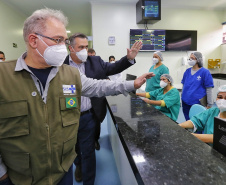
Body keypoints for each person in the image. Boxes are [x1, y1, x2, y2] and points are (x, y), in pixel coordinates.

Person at [0, 8, 154, 185]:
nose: (62, 47)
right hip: (20, 177)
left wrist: (131, 84)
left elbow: (99, 86)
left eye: (63, 42)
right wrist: (2, 175)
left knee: (86, 151)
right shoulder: (4, 77)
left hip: (63, 170)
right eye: (58, 40)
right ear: (34, 40)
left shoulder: (70, 74)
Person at [64, 33, 142, 184]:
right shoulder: (60, 65)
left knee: (88, 151)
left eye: (86, 47)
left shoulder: (95, 61)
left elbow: (114, 68)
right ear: (71, 48)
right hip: (66, 117)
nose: (84, 50)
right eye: (80, 47)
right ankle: (78, 165)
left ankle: (88, 181)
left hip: (88, 115)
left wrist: (129, 58)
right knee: (72, 149)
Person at [181, 52, 214, 121]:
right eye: (189, 58)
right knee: (187, 121)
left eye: (192, 58)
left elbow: (209, 89)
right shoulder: (187, 71)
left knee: (197, 122)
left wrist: (210, 104)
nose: (190, 60)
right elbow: (184, 85)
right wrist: (182, 97)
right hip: (185, 102)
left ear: (198, 60)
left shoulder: (205, 72)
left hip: (197, 103)